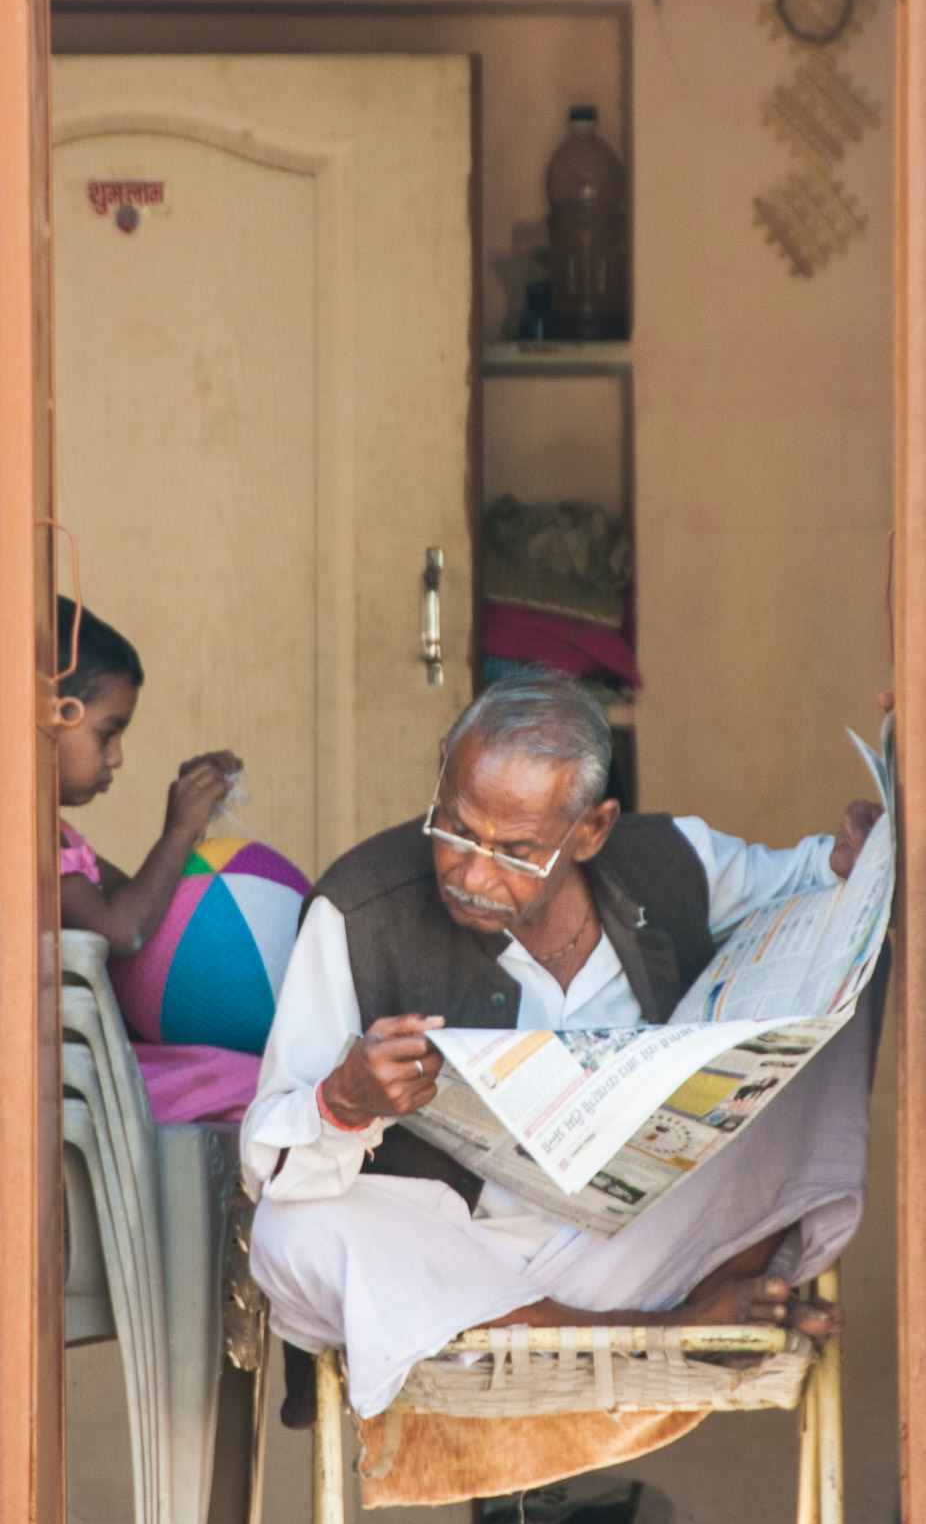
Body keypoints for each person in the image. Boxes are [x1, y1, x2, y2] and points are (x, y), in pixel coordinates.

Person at [241, 670, 884, 1422]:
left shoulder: (670, 861)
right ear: (445, 762)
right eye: (454, 827)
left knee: (849, 976)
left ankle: (727, 1286)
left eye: (516, 850)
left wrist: (854, 861)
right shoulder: (358, 908)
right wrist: (340, 1105)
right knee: (291, 1232)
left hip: (636, 1242)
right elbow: (270, 1162)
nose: (472, 872)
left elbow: (810, 875)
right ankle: (675, 1330)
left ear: (592, 829)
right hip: (458, 1263)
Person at [57, 595, 260, 1124]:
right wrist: (179, 830)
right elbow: (123, 930)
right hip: (57, 1075)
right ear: (54, 713)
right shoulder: (24, 844)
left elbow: (139, 899)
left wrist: (190, 812)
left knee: (249, 1069)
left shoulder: (51, 836)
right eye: (107, 732)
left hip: (89, 1059)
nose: (117, 756)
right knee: (254, 1082)